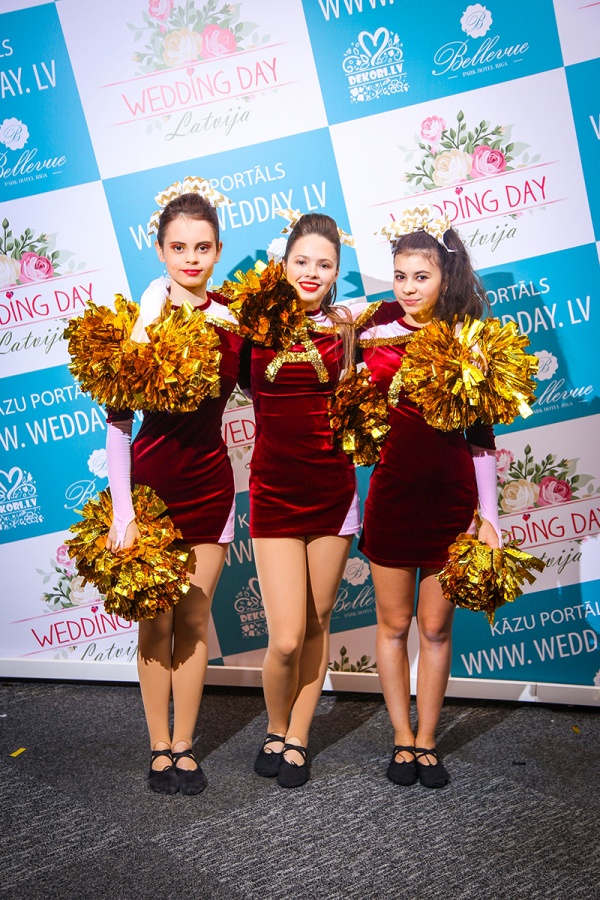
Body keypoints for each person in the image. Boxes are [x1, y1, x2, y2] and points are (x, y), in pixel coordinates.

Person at [105, 182, 243, 795]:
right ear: (159, 250)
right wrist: (124, 511)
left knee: (193, 619)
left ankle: (185, 745)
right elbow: (117, 424)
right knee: (154, 622)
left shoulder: (233, 322)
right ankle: (157, 747)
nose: (191, 258)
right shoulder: (140, 322)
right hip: (151, 494)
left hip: (211, 489)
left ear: (218, 251)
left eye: (203, 247)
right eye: (179, 247)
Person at [357, 209, 501, 788]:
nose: (409, 288)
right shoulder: (373, 331)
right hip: (391, 501)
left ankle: (428, 740)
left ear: (445, 276)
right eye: (400, 276)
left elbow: (482, 437)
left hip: (451, 506)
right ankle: (400, 737)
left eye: (421, 276)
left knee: (435, 629)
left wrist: (489, 517)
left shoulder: (468, 340)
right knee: (393, 625)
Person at [248, 213, 377, 788]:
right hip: (273, 495)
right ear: (282, 264)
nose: (311, 272)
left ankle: (297, 736)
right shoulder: (253, 326)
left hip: (332, 494)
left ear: (336, 272)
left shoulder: (348, 329)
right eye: (301, 260)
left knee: (318, 621)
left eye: (324, 264)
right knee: (285, 637)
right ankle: (275, 728)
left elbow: (412, 321)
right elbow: (186, 303)